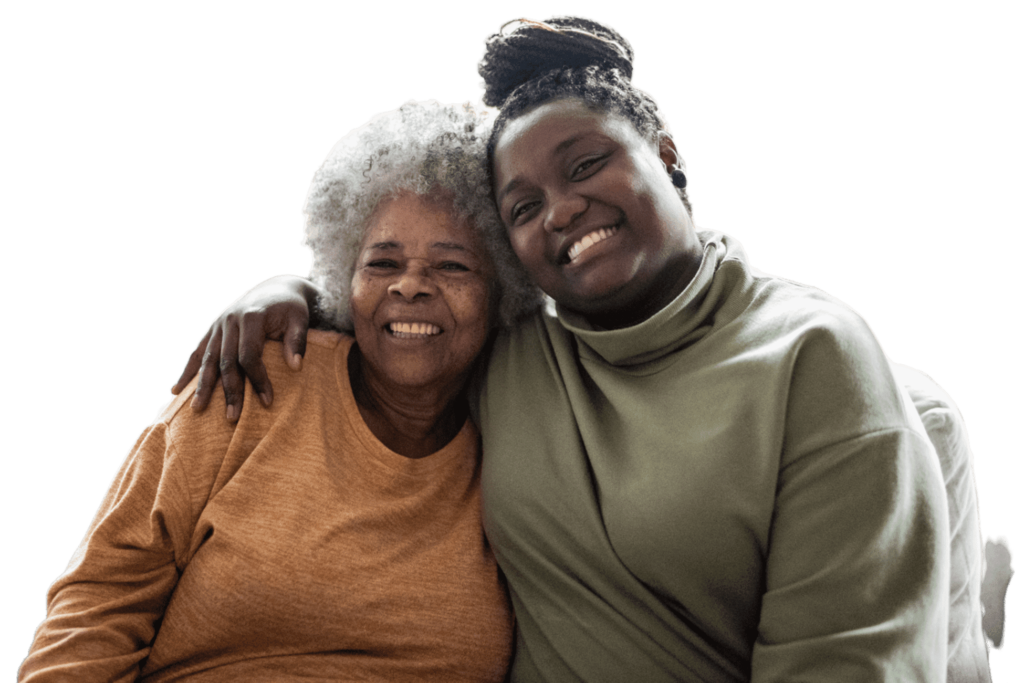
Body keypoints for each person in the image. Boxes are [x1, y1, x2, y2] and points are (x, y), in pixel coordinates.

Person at [170, 15, 967, 682]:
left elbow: (843, 662)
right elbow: (406, 307)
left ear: (665, 154)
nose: (559, 211)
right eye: (522, 206)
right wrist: (293, 291)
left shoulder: (813, 354)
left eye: (586, 165)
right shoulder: (519, 347)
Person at [19, 99, 526, 682]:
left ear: (505, 289)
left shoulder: (520, 438)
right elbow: (95, 608)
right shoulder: (252, 381)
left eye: (453, 267)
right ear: (345, 276)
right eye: (382, 263)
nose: (410, 286)